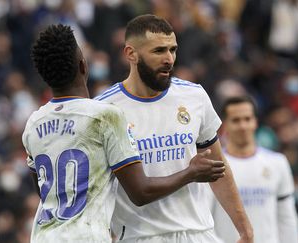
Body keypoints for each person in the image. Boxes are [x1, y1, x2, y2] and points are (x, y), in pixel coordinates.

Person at [23, 24, 226, 242]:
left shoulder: (34, 123)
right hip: (87, 236)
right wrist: (191, 172)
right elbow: (140, 191)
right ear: (83, 66)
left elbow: (44, 191)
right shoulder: (105, 115)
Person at [95, 14, 253, 242]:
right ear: (131, 54)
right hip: (141, 237)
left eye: (173, 50)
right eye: (159, 51)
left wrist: (245, 229)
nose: (169, 59)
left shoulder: (194, 96)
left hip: (198, 234)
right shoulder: (104, 109)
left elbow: (218, 170)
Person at [209, 96, 298, 243]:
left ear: (255, 122)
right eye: (236, 120)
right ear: (224, 125)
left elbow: (287, 217)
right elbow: (206, 219)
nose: (243, 126)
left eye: (247, 119)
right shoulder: (214, 166)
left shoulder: (278, 163)